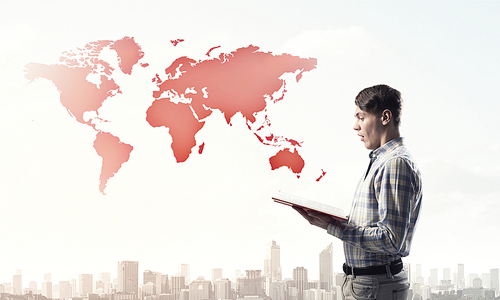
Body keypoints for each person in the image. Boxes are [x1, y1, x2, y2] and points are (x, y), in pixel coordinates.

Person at [294, 84, 422, 300]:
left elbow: (392, 239)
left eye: (361, 117)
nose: (355, 126)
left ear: (385, 117)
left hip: (375, 285)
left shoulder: (394, 163)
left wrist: (333, 226)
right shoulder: (381, 160)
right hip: (368, 284)